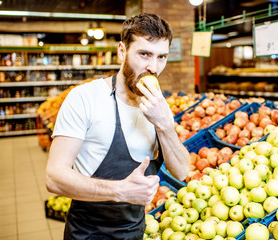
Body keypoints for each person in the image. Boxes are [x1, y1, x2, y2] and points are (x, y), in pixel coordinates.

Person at [45, 13, 190, 239]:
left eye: (162, 57)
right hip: (87, 234)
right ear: (122, 51)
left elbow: (181, 171)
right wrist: (121, 191)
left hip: (135, 232)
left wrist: (164, 125)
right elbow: (54, 177)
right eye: (144, 54)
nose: (153, 67)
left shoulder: (159, 107)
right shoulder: (85, 98)